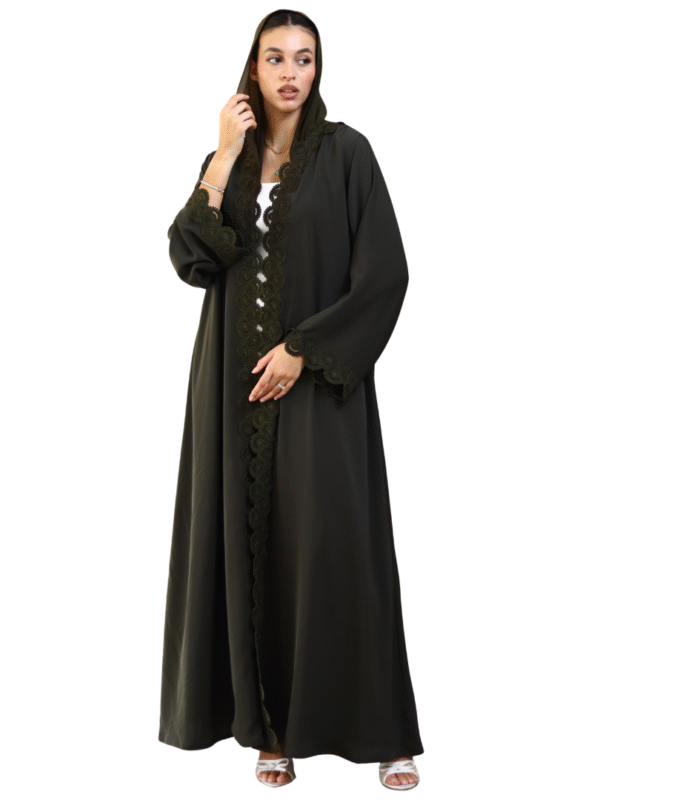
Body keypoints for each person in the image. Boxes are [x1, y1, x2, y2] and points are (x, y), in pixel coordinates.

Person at [159, 8, 424, 790]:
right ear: (253, 67)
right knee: (252, 550)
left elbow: (384, 273)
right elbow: (191, 259)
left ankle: (383, 734)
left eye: (303, 58)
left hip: (319, 388)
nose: (290, 72)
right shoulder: (229, 161)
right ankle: (269, 732)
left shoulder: (347, 154)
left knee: (337, 550)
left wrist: (304, 350)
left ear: (317, 69)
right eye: (275, 57)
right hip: (233, 389)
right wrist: (221, 156)